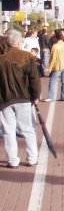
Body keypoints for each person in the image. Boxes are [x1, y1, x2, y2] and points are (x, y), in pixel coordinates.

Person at [0, 29, 40, 167]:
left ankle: (12, 160)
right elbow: (34, 79)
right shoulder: (27, 57)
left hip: (4, 100)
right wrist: (35, 96)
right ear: (19, 41)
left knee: (8, 131)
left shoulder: (1, 59)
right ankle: (32, 158)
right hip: (23, 98)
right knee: (28, 129)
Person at [44, 29, 64, 101]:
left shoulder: (55, 46)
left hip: (58, 65)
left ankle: (51, 97)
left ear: (56, 37)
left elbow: (53, 58)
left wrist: (49, 68)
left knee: (53, 81)